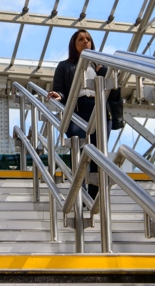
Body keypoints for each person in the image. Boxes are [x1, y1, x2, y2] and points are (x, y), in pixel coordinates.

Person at [47, 29, 111, 199]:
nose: (85, 42)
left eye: (88, 39)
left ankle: (95, 197)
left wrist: (101, 70)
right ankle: (80, 194)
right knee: (81, 150)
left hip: (99, 109)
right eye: (81, 39)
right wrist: (58, 95)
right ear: (73, 45)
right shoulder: (65, 66)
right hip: (77, 110)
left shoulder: (100, 66)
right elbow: (60, 88)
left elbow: (114, 92)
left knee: (99, 154)